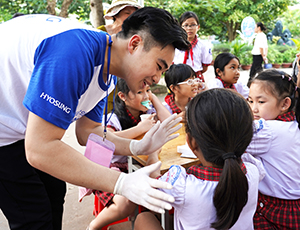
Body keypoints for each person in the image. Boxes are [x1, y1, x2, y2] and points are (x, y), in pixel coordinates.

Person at [0, 7, 190, 230]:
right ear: (135, 44)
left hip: (19, 127)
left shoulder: (107, 70)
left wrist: (138, 146)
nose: (157, 78)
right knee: (34, 213)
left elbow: (87, 132)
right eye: (159, 66)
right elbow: (40, 149)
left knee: (54, 191)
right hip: (4, 134)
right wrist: (121, 182)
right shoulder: (74, 53)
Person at [134, 88, 264, 230]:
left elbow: (152, 182)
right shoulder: (253, 170)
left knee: (143, 218)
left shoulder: (182, 186)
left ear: (192, 143)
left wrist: (153, 152)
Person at [87, 78, 171, 230]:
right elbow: (106, 139)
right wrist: (139, 129)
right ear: (122, 97)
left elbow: (168, 121)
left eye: (147, 90)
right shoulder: (114, 118)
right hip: (111, 168)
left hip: (136, 165)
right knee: (126, 202)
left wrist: (152, 99)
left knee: (158, 187)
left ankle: (141, 222)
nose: (145, 97)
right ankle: (93, 226)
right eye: (139, 92)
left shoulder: (148, 112)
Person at [246, 69, 300, 229]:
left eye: (261, 102)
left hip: (277, 206)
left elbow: (230, 140)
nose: (254, 108)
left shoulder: (267, 129)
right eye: (250, 101)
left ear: (284, 104)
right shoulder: (291, 123)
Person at [172, 11, 212, 86]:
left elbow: (205, 67)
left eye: (193, 25)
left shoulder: (203, 45)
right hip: (179, 77)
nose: (189, 28)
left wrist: (192, 74)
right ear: (180, 27)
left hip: (196, 78)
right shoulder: (175, 44)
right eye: (186, 25)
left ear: (198, 27)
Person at [248, 22, 268, 87]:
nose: (254, 29)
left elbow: (261, 48)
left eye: (255, 27)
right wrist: (265, 56)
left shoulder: (260, 36)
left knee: (257, 70)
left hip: (258, 55)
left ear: (258, 28)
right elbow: (266, 47)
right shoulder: (263, 35)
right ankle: (250, 83)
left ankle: (263, 82)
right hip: (258, 55)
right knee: (255, 69)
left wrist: (263, 56)